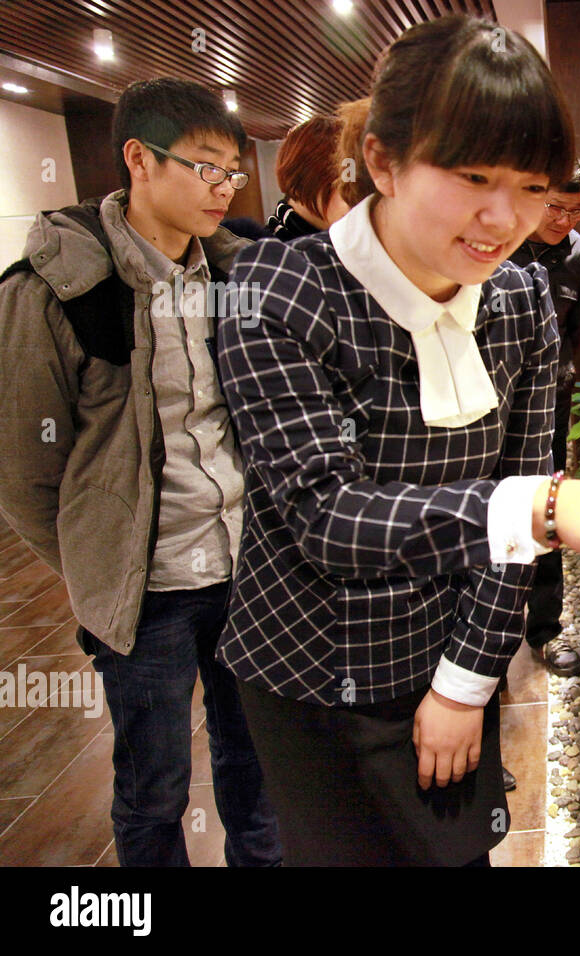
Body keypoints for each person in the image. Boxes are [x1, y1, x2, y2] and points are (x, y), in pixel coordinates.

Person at [215, 16, 580, 866]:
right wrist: (544, 505)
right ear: (383, 162)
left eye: (534, 186)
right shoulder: (277, 290)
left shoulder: (518, 299)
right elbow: (327, 516)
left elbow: (523, 490)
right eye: (472, 177)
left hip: (452, 639)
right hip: (314, 664)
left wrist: (467, 679)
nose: (503, 218)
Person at [0, 78, 282, 866]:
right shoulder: (56, 291)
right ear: (140, 160)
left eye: (233, 171)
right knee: (153, 787)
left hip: (245, 568)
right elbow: (23, 471)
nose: (225, 189)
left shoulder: (237, 276)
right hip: (145, 594)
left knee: (256, 768)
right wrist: (99, 560)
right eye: (206, 168)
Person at [507, 159, 580, 680]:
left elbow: (577, 333)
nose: (564, 220)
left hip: (548, 402)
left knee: (547, 510)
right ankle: (481, 642)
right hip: (492, 403)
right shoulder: (501, 243)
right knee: (488, 507)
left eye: (576, 211)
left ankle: (545, 629)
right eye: (555, 208)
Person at [265, 114, 351, 240]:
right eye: (343, 185)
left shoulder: (356, 247)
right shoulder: (265, 255)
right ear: (300, 181)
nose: (355, 200)